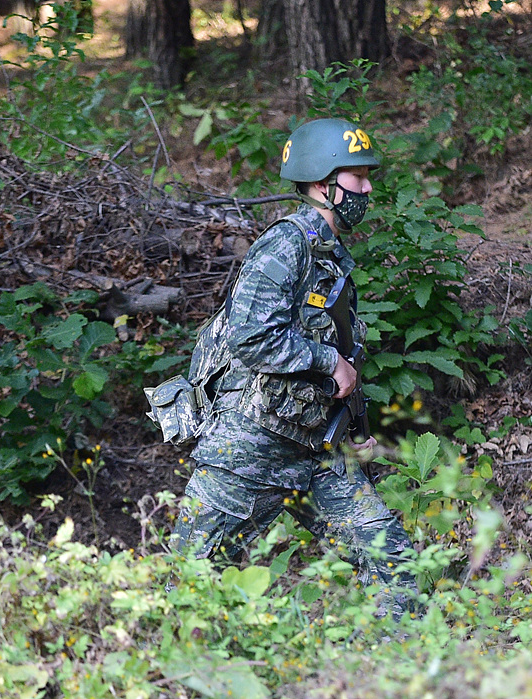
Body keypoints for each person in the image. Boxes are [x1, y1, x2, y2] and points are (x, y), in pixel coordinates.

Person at [171, 118, 418, 616]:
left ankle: (394, 674)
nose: (368, 188)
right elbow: (251, 335)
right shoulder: (288, 244)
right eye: (357, 177)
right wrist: (327, 362)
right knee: (188, 575)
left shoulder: (331, 255)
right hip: (252, 445)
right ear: (321, 184)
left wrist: (355, 427)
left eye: (368, 176)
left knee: (393, 561)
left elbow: (344, 350)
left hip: (316, 445)